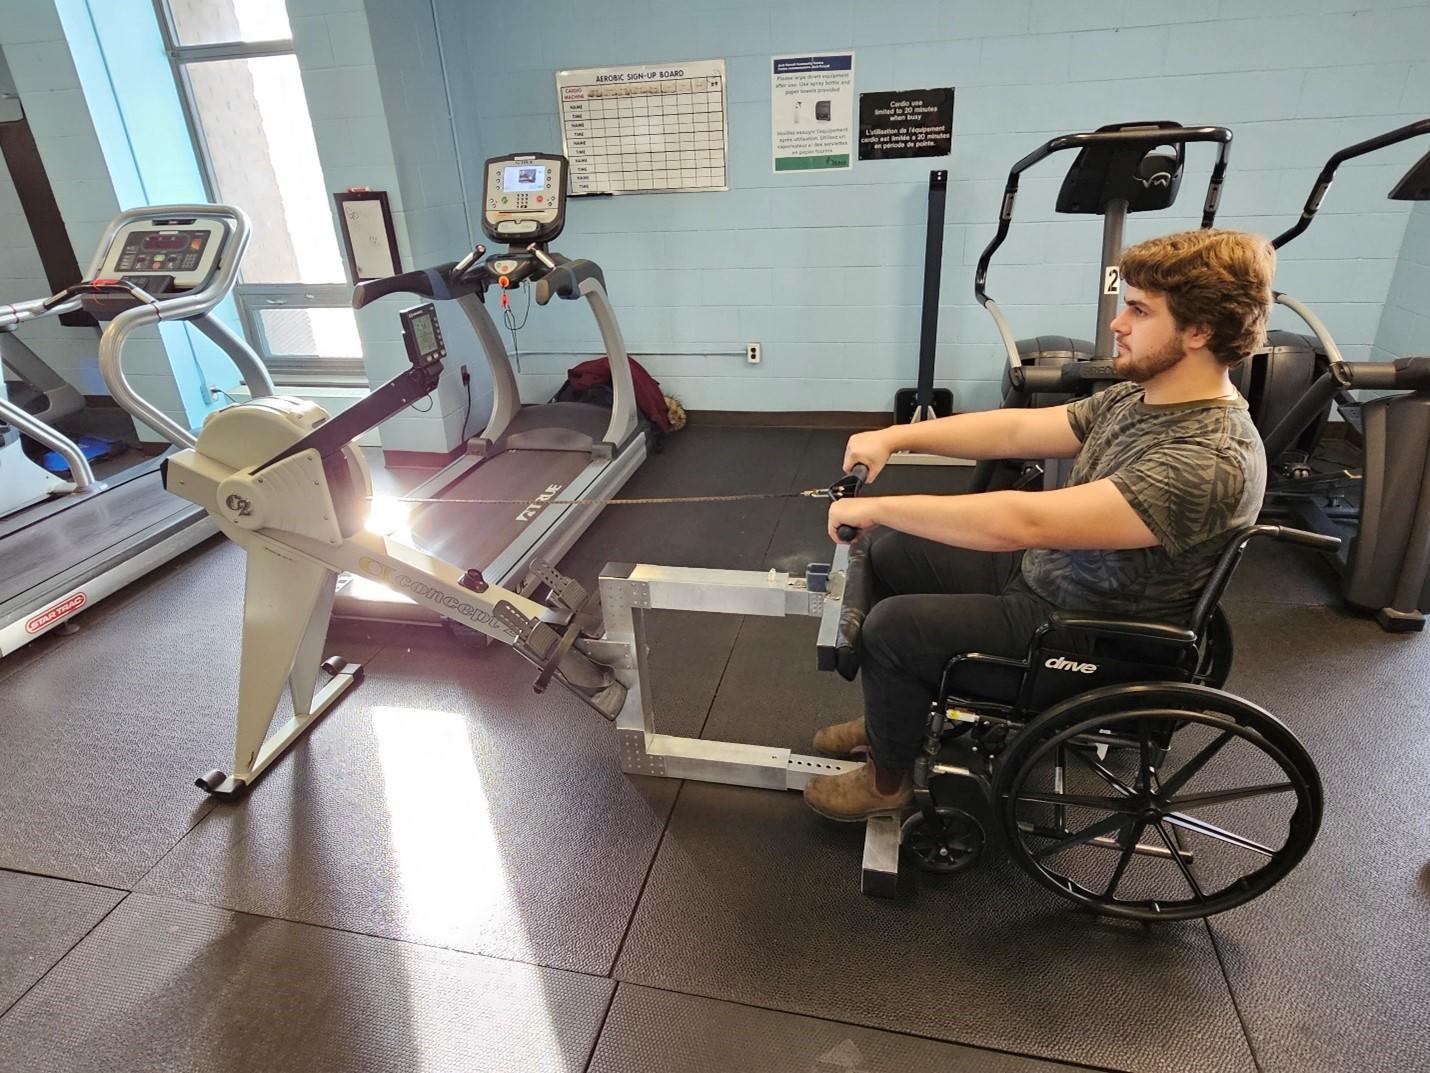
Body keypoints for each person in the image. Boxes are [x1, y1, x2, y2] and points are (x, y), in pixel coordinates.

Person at [804, 229, 1275, 822]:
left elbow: (1023, 521)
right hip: (1056, 578)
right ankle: (896, 717)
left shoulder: (1207, 459)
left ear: (1200, 330)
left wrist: (877, 505)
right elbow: (1017, 431)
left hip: (1093, 633)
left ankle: (887, 780)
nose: (1117, 324)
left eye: (1139, 310)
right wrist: (895, 437)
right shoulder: (1143, 396)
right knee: (898, 553)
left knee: (893, 629)